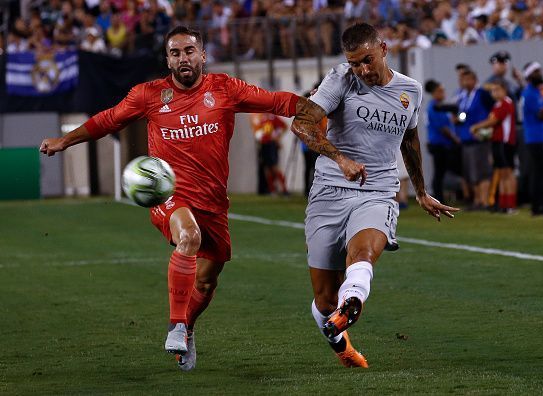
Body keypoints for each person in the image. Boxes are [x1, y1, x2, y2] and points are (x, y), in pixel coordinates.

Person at [39, 26, 302, 372]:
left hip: (213, 202)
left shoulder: (225, 89)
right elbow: (109, 119)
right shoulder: (149, 94)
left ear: (203, 55)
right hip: (169, 195)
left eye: (190, 51)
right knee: (189, 237)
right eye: (175, 53)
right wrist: (65, 141)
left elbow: (278, 101)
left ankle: (188, 327)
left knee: (208, 279)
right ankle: (176, 325)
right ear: (167, 59)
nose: (183, 58)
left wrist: (314, 106)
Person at [291, 23, 459, 368]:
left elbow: (409, 141)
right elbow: (302, 123)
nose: (362, 70)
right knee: (324, 299)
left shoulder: (410, 90)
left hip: (378, 189)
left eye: (367, 60)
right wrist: (340, 158)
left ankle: (352, 301)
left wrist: (421, 192)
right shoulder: (340, 79)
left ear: (384, 48)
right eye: (355, 63)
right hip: (329, 191)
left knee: (364, 252)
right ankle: (342, 344)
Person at [471, 80, 517, 213]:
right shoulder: (497, 104)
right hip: (497, 142)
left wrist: (476, 127)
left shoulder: (506, 103)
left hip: (505, 142)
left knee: (507, 174)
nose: (494, 92)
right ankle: (503, 204)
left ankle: (510, 205)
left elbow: (493, 121)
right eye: (493, 90)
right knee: (502, 174)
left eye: (497, 89)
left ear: (504, 90)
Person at [456, 69, 494, 209]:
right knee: (471, 172)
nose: (466, 82)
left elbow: (493, 111)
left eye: (469, 79)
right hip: (466, 138)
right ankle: (477, 200)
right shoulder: (463, 95)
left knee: (482, 171)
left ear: (475, 80)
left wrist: (486, 128)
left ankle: (484, 201)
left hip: (479, 138)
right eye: (464, 80)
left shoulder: (482, 94)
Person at [521, 61, 543, 216]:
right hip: (535, 137)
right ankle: (538, 206)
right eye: (536, 71)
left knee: (542, 172)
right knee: (539, 173)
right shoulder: (530, 93)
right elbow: (542, 113)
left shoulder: (535, 91)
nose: (540, 74)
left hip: (539, 135)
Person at [425, 79, 461, 203]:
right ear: (434, 93)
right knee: (439, 172)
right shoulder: (435, 107)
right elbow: (442, 128)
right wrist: (455, 139)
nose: (443, 93)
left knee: (441, 171)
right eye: (440, 91)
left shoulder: (441, 106)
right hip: (438, 144)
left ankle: (439, 197)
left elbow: (448, 123)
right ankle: (438, 198)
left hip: (442, 143)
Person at [250, 113, 289, 195]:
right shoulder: (261, 117)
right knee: (267, 168)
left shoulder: (272, 117)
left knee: (275, 167)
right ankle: (272, 190)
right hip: (263, 145)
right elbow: (258, 131)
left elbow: (284, 126)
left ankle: (284, 189)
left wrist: (277, 137)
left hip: (271, 144)